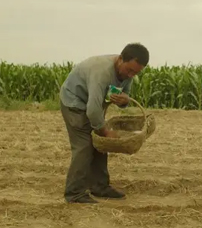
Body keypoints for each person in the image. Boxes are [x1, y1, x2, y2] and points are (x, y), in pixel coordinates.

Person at [59, 43, 149, 204]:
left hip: (93, 105)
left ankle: (100, 187)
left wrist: (124, 101)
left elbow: (124, 98)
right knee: (84, 146)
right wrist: (106, 131)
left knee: (101, 145)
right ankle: (74, 193)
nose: (131, 75)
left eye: (135, 73)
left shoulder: (127, 74)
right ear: (120, 59)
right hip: (74, 103)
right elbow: (92, 111)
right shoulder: (101, 72)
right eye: (129, 70)